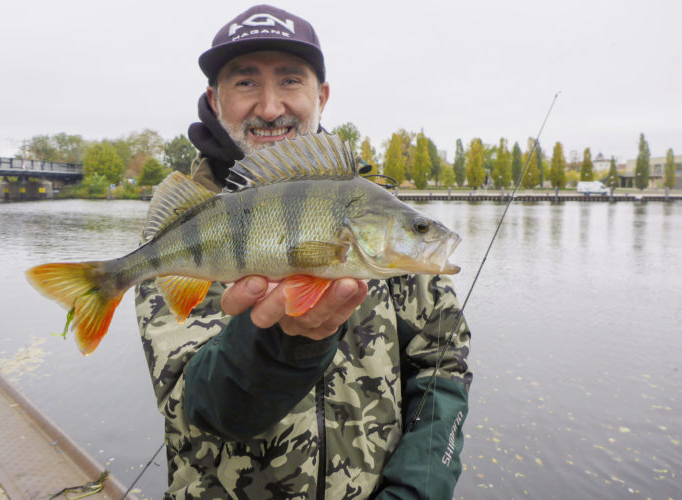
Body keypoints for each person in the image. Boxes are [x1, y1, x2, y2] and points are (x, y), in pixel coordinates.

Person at [135, 5, 472, 499]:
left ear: (322, 95)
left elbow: (443, 364)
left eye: (290, 80)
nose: (270, 108)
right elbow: (197, 408)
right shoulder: (186, 228)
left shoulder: (382, 219)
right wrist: (283, 345)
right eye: (245, 83)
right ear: (214, 97)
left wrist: (416, 491)